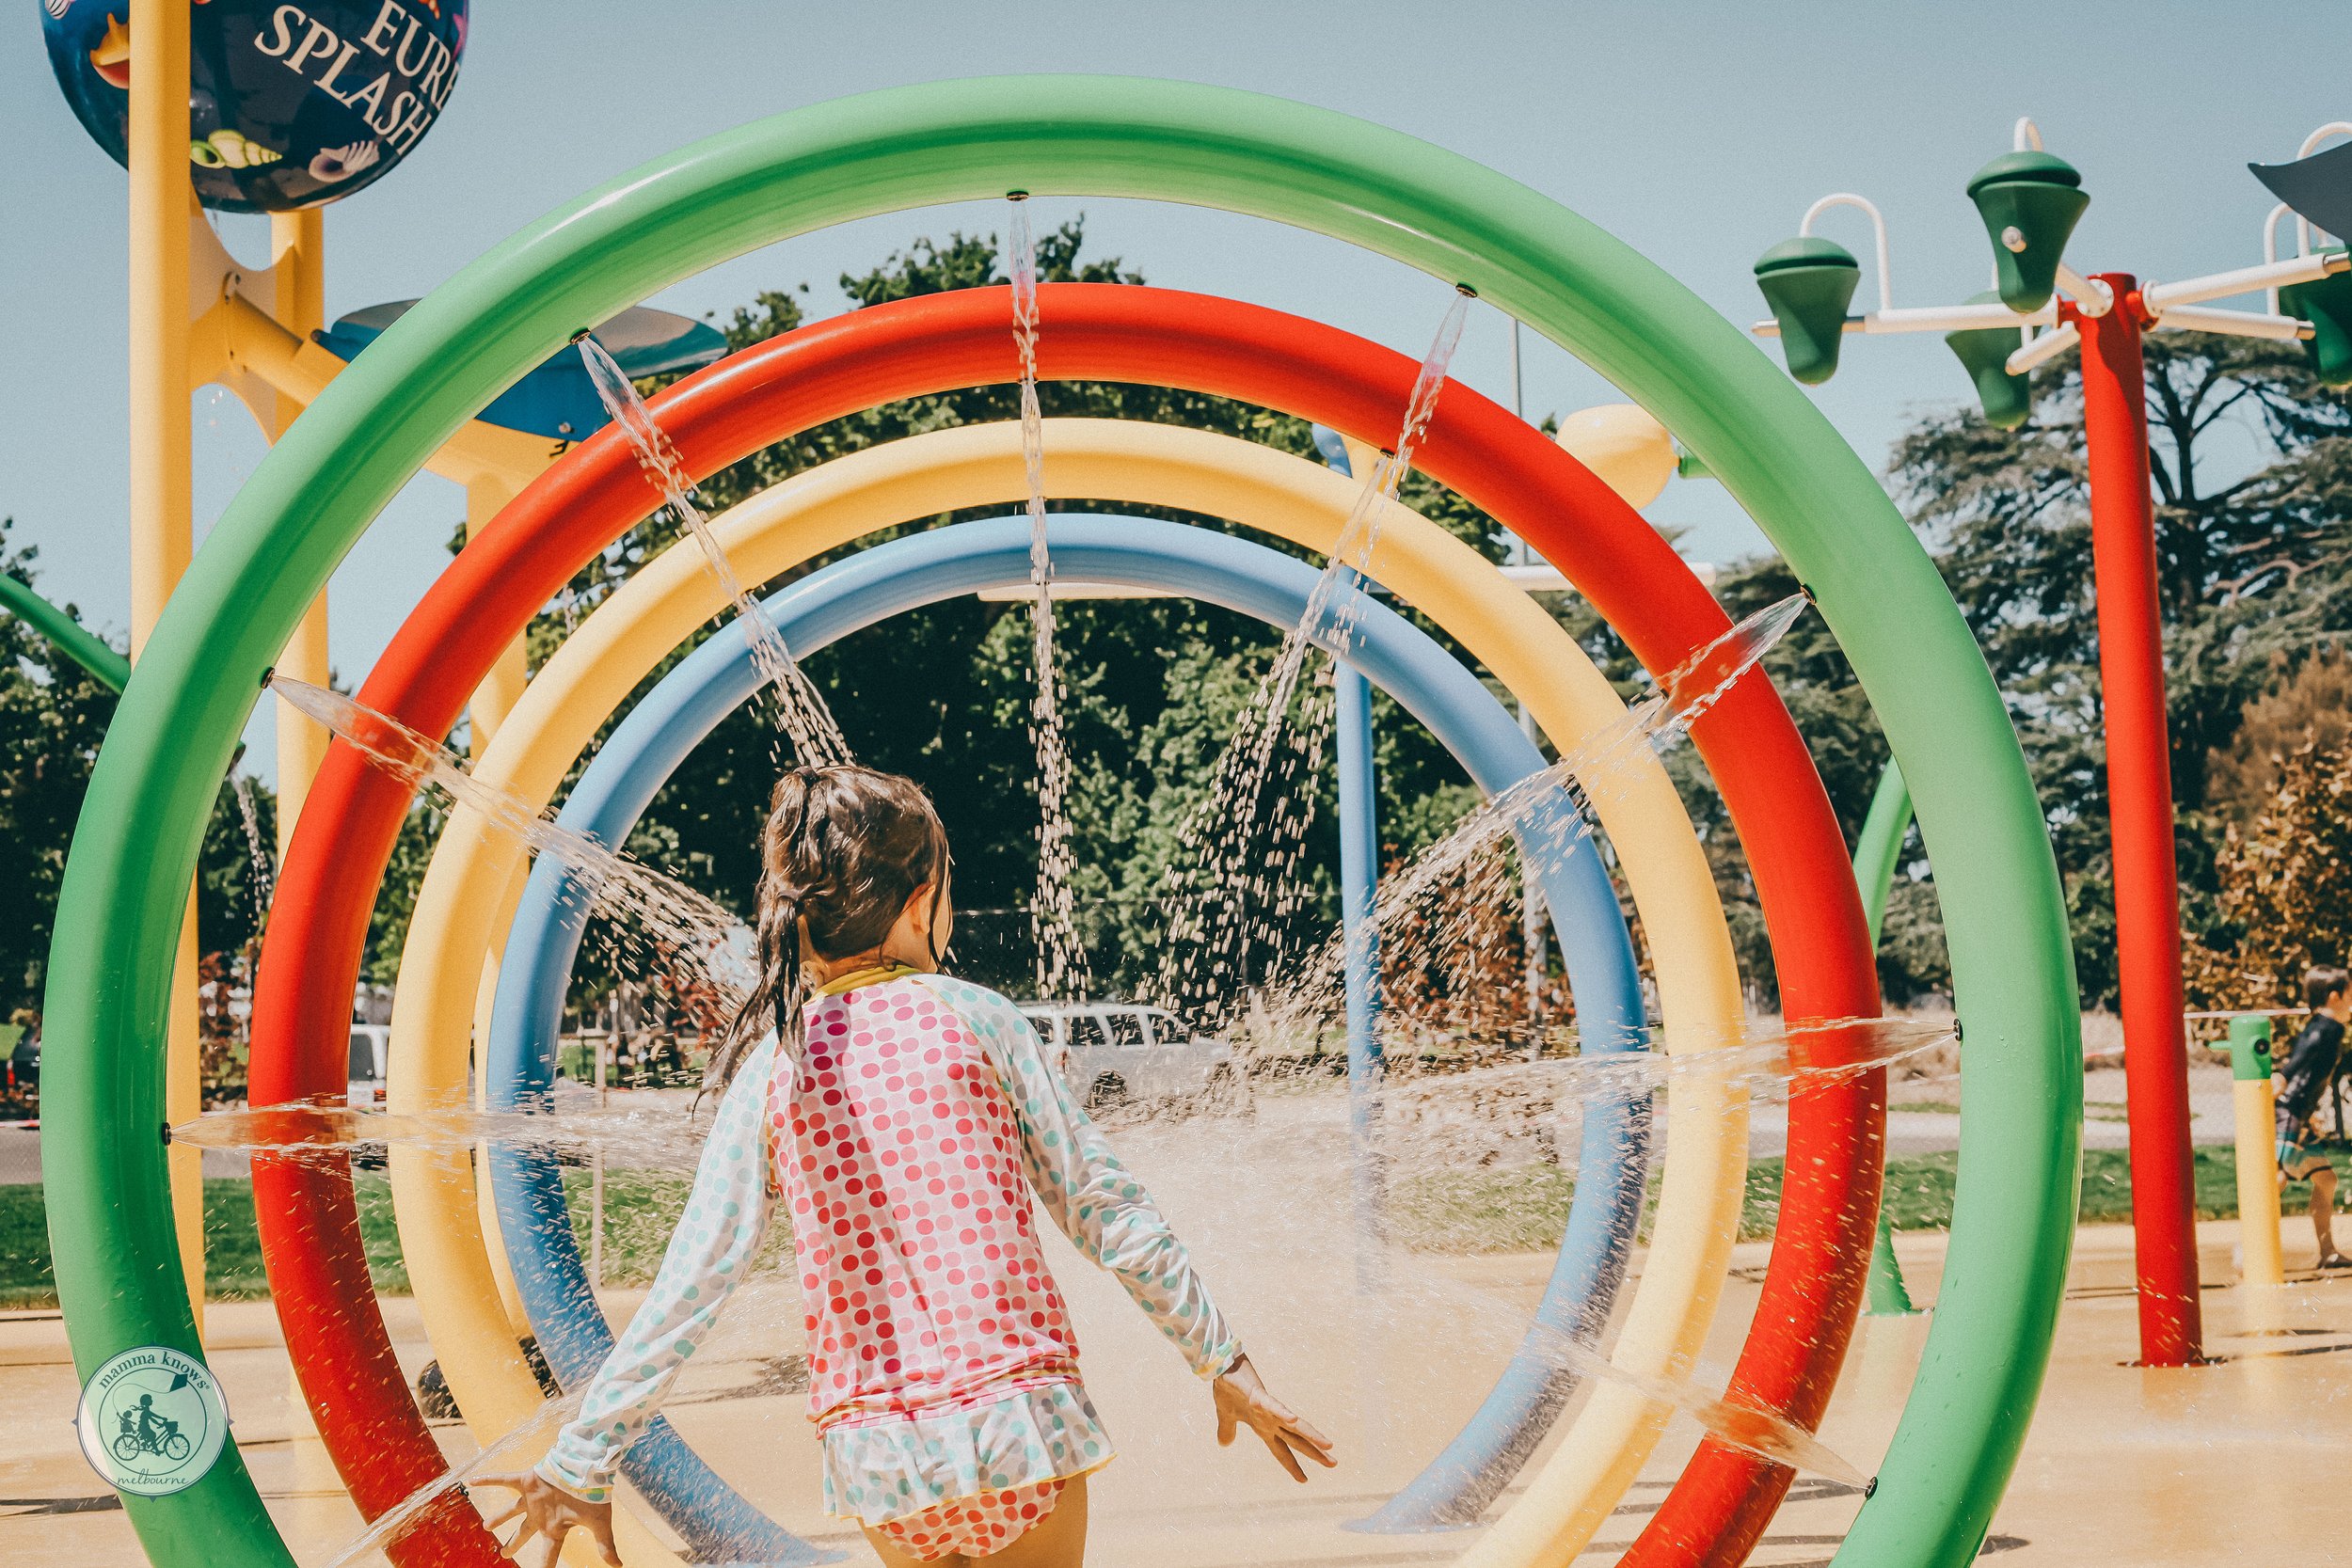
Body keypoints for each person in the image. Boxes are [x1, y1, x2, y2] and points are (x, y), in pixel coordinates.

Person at [485, 766, 1331, 1566]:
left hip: (880, 1454)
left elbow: (692, 1280)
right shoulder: (979, 1019)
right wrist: (1223, 1362)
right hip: (1016, 1420)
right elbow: (1107, 1208)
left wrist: (583, 1455)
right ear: (922, 901)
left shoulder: (774, 1068)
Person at [2277, 966, 2352, 1270]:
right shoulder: (2328, 1027)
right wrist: (2284, 1075)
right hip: (2290, 1110)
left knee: (2326, 1180)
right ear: (2335, 997)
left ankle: (2327, 1252)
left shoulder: (2319, 1024)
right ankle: (2250, 1246)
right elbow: (2305, 1054)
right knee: (2276, 1179)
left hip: (2299, 1114)